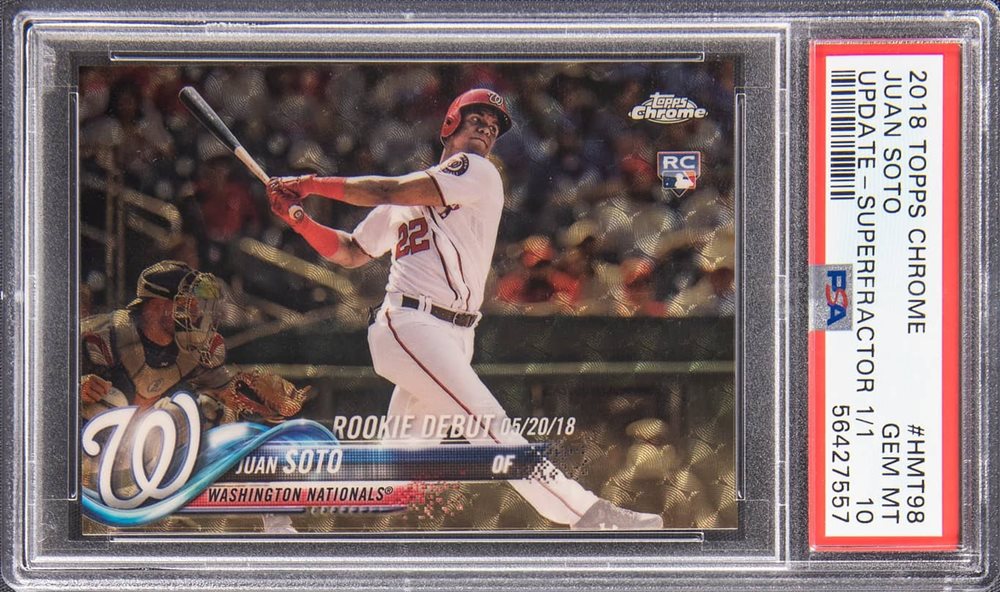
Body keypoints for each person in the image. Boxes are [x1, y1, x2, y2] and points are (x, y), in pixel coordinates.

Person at [265, 88, 662, 530]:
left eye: (492, 128)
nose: (486, 132)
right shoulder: (416, 192)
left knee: (395, 474)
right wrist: (300, 221)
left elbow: (385, 191)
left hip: (455, 335)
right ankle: (586, 513)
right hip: (410, 324)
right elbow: (352, 250)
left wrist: (309, 187)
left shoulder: (478, 172)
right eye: (477, 121)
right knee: (490, 426)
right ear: (450, 125)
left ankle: (285, 491)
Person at [79, 260, 310, 534]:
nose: (197, 312)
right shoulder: (105, 335)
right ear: (158, 304)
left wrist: (259, 394)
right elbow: (42, 384)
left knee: (213, 412)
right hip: (88, 460)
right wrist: (76, 388)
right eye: (188, 303)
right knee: (109, 402)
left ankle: (276, 523)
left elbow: (226, 390)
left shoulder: (193, 347)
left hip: (148, 451)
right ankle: (104, 519)